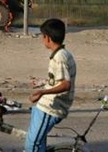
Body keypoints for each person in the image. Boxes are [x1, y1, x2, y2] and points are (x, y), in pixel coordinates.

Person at [25, 18, 77, 152]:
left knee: (33, 146)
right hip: (45, 106)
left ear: (48, 38)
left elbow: (66, 85)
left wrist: (42, 92)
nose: (42, 39)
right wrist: (42, 83)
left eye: (42, 36)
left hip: (51, 108)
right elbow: (58, 79)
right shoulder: (62, 54)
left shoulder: (59, 58)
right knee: (37, 141)